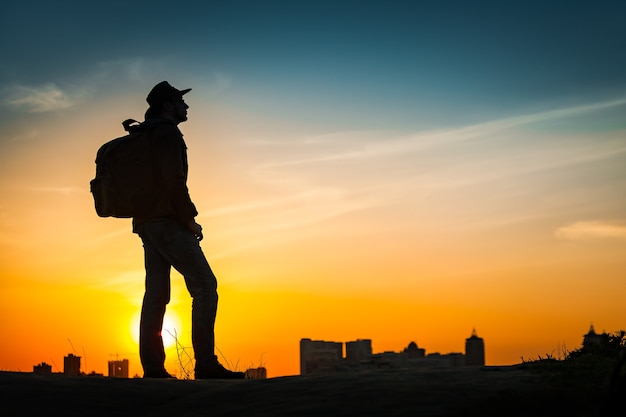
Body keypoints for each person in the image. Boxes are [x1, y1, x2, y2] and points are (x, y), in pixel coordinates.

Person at [133, 81, 244, 379]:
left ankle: (154, 368)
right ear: (168, 105)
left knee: (155, 294)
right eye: (181, 100)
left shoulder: (144, 133)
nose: (187, 106)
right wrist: (189, 219)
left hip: (146, 223)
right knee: (205, 286)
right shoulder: (167, 133)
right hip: (167, 220)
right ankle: (206, 364)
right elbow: (174, 181)